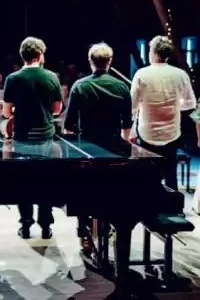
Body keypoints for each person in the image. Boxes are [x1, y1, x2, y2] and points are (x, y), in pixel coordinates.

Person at [63, 42, 132, 253]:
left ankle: (84, 235)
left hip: (87, 149)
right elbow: (127, 125)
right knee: (111, 191)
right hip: (113, 150)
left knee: (84, 192)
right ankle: (108, 226)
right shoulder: (122, 87)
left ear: (90, 61)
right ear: (110, 62)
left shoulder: (80, 86)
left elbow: (68, 125)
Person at [2, 37, 63, 239]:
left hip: (22, 138)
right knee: (46, 182)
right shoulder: (52, 77)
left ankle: (26, 226)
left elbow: (6, 112)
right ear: (40, 55)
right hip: (45, 137)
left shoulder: (12, 79)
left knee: (23, 183)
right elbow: (57, 109)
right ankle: (45, 227)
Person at [130, 36, 197, 190]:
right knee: (170, 174)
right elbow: (191, 103)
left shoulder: (141, 74)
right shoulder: (180, 74)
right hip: (171, 134)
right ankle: (172, 201)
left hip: (146, 134)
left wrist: (131, 131)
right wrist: (174, 105)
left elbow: (133, 107)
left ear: (153, 52)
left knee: (147, 176)